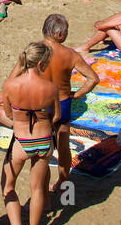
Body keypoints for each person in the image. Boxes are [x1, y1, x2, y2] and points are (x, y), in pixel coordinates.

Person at [0, 42, 60, 225]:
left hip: (22, 139)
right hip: (43, 141)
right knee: (37, 189)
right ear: (42, 63)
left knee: (8, 186)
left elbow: (8, 113)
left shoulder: (10, 85)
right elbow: (56, 116)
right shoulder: (51, 87)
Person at [41, 14, 97, 191]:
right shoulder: (70, 54)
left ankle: (41, 188)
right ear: (59, 34)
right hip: (62, 102)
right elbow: (93, 79)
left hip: (40, 102)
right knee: (63, 147)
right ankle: (62, 183)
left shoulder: (33, 50)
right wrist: (76, 94)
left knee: (42, 150)